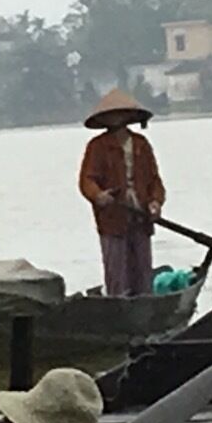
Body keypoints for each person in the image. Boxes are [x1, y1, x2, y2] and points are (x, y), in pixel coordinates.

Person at [78, 87, 165, 297]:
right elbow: (87, 180)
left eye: (120, 113)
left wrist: (155, 202)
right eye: (111, 114)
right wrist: (99, 196)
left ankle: (145, 305)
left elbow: (155, 181)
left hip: (141, 215)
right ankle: (118, 306)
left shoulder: (141, 145)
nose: (116, 117)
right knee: (116, 270)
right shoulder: (98, 146)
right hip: (112, 217)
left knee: (143, 268)